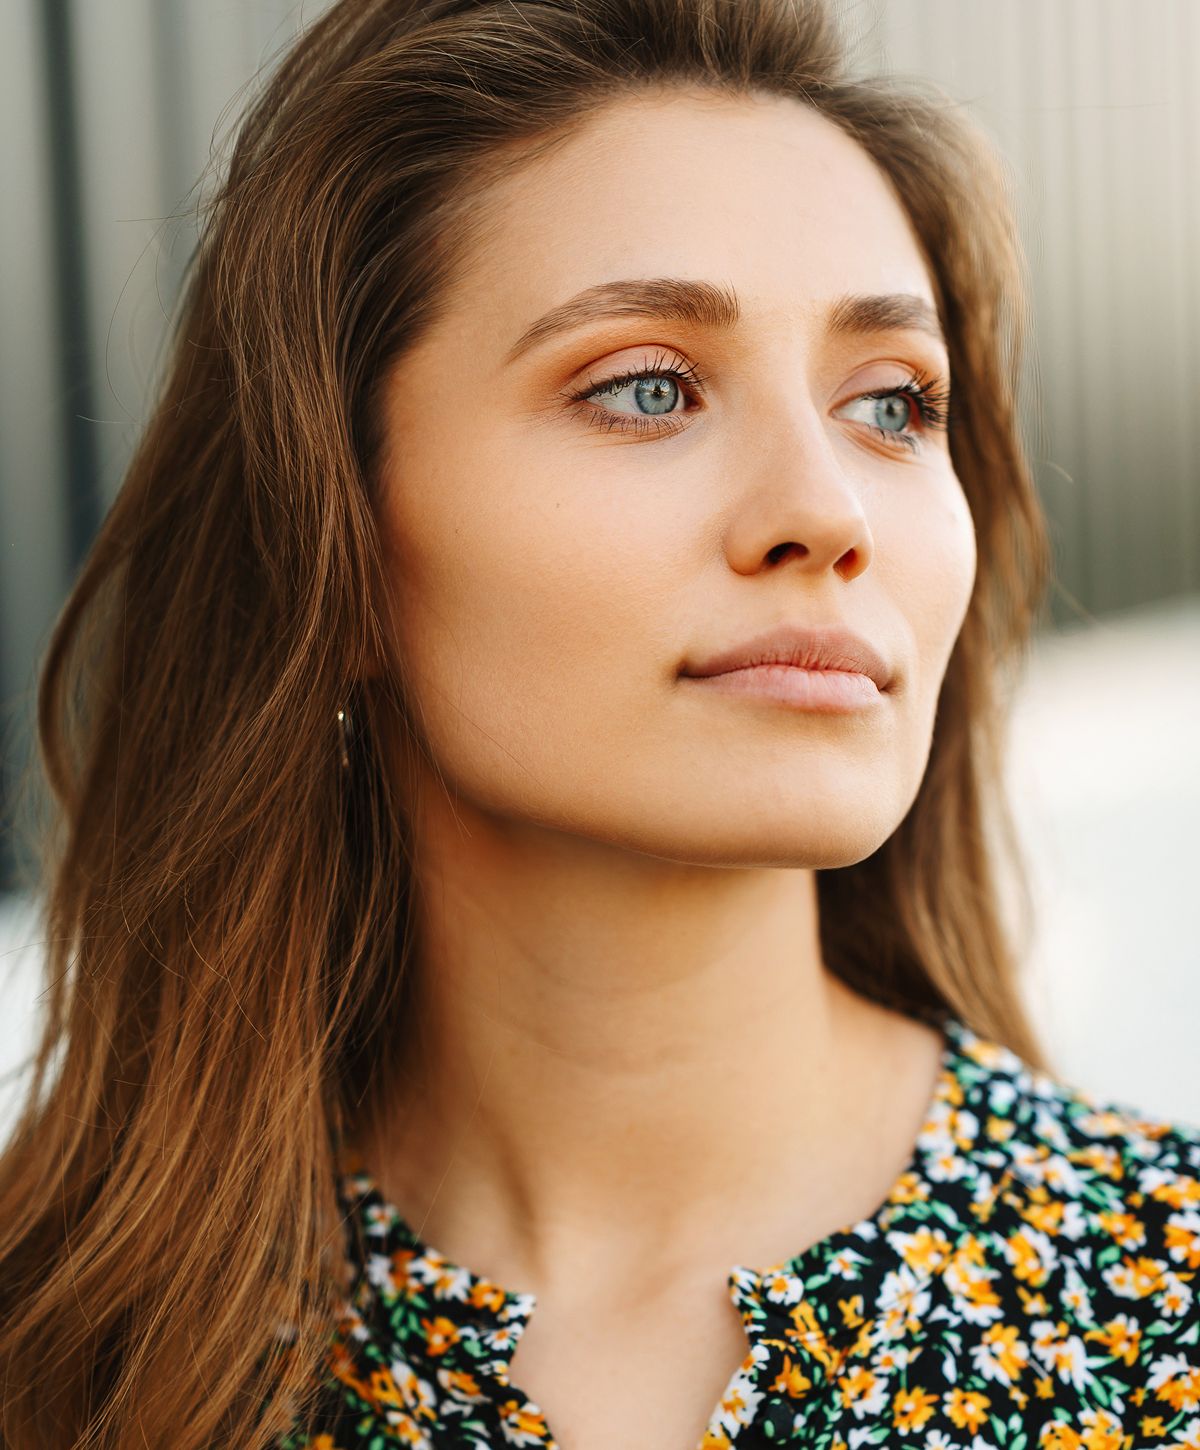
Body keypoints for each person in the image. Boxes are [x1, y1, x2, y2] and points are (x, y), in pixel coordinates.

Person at [1, 0, 1197, 1446]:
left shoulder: (1165, 1303)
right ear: (342, 535)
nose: (824, 508)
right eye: (646, 387)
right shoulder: (73, 1345)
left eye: (891, 403)